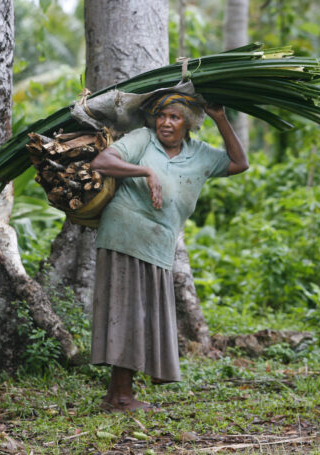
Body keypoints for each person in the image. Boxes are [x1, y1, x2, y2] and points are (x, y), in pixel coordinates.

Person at [90, 92, 249, 411]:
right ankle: (121, 397)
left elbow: (239, 163)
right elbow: (102, 161)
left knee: (140, 315)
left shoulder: (200, 154)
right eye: (162, 116)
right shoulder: (143, 139)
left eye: (175, 117)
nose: (165, 122)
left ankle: (117, 394)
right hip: (125, 233)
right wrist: (146, 172)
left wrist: (219, 118)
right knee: (128, 314)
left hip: (159, 243)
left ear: (188, 125)